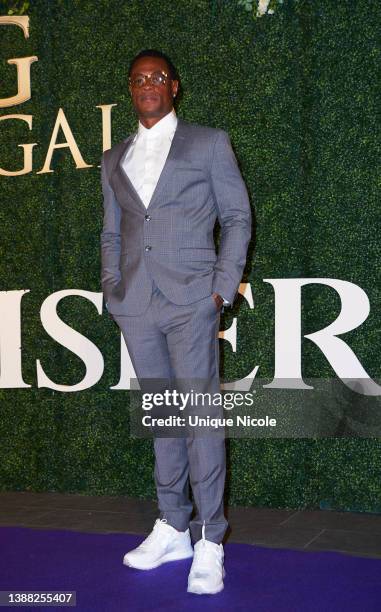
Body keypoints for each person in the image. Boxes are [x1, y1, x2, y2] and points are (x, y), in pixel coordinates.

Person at [100, 49, 251, 595]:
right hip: (136, 304)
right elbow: (113, 233)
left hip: (192, 298)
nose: (146, 85)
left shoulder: (208, 143)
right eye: (137, 78)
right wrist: (112, 290)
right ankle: (172, 526)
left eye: (156, 78)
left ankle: (210, 537)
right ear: (131, 89)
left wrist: (220, 289)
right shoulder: (113, 159)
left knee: (201, 418)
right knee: (162, 416)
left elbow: (236, 216)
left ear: (174, 86)